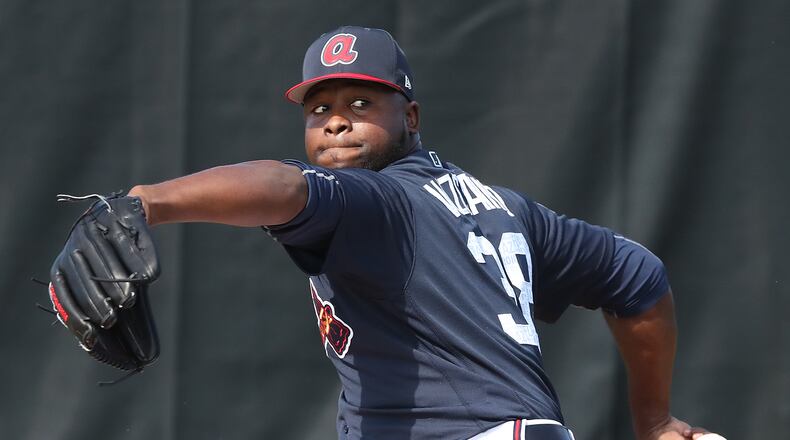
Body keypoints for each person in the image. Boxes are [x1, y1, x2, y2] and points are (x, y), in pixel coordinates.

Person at [125, 26, 710, 440]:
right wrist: (654, 420)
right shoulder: (505, 208)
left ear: (410, 117)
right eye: (318, 107)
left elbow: (287, 188)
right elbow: (637, 275)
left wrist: (144, 203)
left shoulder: (378, 198)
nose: (335, 119)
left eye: (360, 100)